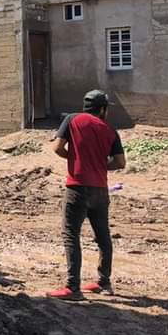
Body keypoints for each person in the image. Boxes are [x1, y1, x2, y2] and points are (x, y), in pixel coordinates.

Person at [47, 89, 126, 299]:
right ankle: (104, 282)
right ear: (102, 109)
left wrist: (74, 158)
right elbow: (120, 162)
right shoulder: (110, 129)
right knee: (103, 237)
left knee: (71, 235)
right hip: (100, 190)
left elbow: (56, 148)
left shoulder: (72, 120)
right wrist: (100, 165)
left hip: (77, 188)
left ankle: (73, 288)